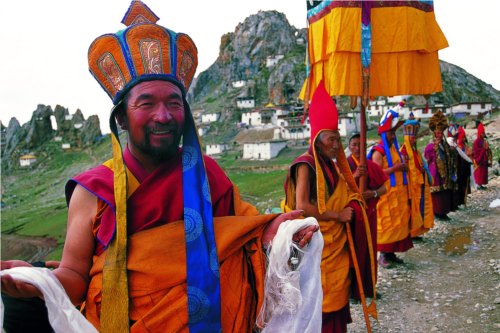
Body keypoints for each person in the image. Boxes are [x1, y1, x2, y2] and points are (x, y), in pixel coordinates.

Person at [1, 2, 318, 332]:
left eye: (174, 102)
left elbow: (258, 260)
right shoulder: (93, 190)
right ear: (122, 118)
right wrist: (39, 284)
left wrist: (284, 245)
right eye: (146, 103)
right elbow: (75, 278)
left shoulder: (207, 177)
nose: (163, 115)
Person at [282, 81, 376, 333]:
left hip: (335, 249)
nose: (337, 145)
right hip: (314, 249)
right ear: (318, 140)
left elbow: (336, 193)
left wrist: (355, 185)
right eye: (331, 139)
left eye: (338, 139)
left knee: (335, 302)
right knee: (317, 304)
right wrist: (338, 215)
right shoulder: (306, 164)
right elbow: (302, 205)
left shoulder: (330, 165)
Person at [368, 102, 412, 268]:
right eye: (391, 132)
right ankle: (383, 255)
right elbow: (378, 173)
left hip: (397, 194)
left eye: (394, 133)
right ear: (384, 133)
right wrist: (397, 168)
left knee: (397, 223)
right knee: (386, 224)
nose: (393, 136)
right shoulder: (379, 151)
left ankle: (391, 253)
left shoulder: (394, 149)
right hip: (386, 194)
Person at [347, 132, 387, 297]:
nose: (357, 148)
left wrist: (373, 194)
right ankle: (352, 291)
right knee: (352, 252)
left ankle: (369, 288)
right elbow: (337, 189)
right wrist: (354, 176)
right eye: (354, 145)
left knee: (369, 251)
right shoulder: (344, 166)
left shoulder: (370, 165)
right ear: (349, 147)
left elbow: (384, 188)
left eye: (360, 145)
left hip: (368, 214)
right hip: (350, 217)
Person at [400, 114, 434, 239]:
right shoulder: (403, 152)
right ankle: (411, 232)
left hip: (419, 185)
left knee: (420, 208)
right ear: (407, 138)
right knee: (412, 210)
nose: (415, 140)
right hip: (410, 186)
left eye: (415, 137)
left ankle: (417, 231)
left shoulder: (416, 152)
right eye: (413, 138)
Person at [424, 111, 458, 220]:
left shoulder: (445, 145)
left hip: (445, 173)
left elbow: (449, 156)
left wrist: (452, 152)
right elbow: (427, 157)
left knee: (445, 193)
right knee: (437, 194)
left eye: (440, 133)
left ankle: (444, 211)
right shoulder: (430, 146)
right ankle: (437, 212)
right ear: (434, 133)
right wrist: (435, 149)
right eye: (437, 133)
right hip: (435, 172)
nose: (439, 135)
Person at [473, 122, 491, 189]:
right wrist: (483, 149)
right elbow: (476, 150)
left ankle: (481, 184)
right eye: (482, 133)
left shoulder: (483, 140)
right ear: (479, 133)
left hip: (483, 160)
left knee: (483, 173)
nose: (483, 134)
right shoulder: (476, 142)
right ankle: (478, 185)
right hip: (479, 160)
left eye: (484, 133)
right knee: (479, 173)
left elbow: (485, 148)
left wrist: (487, 149)